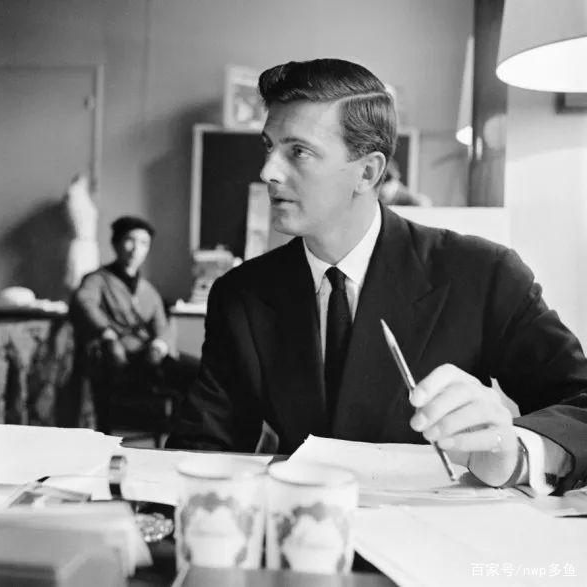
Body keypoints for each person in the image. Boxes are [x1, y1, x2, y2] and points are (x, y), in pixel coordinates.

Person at [167, 59, 587, 494]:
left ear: (367, 172)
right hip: (299, 524)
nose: (267, 171)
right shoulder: (241, 293)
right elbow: (203, 445)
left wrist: (514, 453)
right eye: (268, 147)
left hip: (434, 526)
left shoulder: (484, 274)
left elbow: (581, 405)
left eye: (298, 152)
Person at [70, 216, 198, 433]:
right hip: (115, 359)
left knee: (199, 373)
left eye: (144, 243)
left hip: (147, 358)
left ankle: (183, 436)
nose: (136, 249)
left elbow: (162, 325)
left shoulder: (148, 289)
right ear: (116, 243)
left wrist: (159, 346)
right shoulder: (98, 279)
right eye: (130, 240)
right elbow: (84, 302)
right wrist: (107, 334)